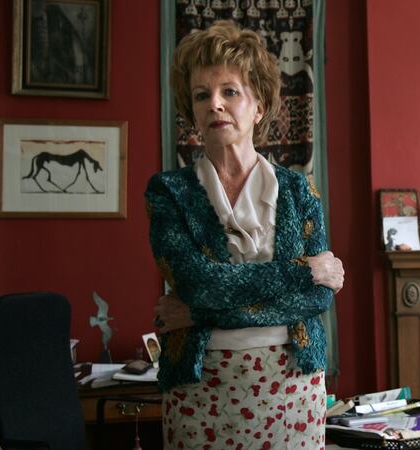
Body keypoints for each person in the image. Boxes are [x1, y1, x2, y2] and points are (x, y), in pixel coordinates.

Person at [144, 21, 344, 450]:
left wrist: (199, 313)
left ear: (258, 106)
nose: (215, 104)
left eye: (229, 92)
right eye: (202, 96)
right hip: (201, 389)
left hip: (292, 387)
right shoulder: (169, 192)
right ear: (192, 111)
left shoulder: (298, 190)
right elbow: (198, 282)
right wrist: (304, 270)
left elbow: (319, 298)